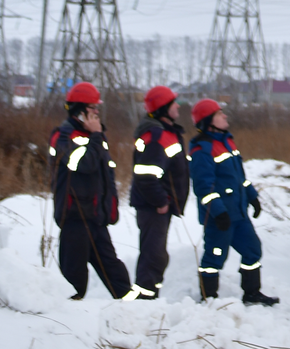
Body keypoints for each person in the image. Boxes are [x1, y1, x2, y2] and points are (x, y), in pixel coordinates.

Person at [50, 82, 137, 300]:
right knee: (74, 278)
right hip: (75, 218)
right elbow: (83, 164)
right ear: (79, 110)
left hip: (96, 218)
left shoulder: (94, 136)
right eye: (92, 108)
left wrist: (109, 210)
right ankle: (68, 315)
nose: (97, 112)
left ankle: (133, 310)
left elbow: (105, 177)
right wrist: (96, 136)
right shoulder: (63, 136)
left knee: (114, 270)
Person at [188, 99, 279, 306]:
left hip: (239, 213)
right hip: (219, 217)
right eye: (219, 114)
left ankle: (251, 294)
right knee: (214, 257)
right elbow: (203, 187)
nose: (225, 116)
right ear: (208, 121)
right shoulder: (202, 149)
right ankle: (208, 299)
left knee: (252, 250)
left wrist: (252, 196)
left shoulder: (227, 142)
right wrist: (218, 212)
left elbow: (239, 178)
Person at [129, 85, 189, 299]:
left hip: (158, 206)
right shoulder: (157, 136)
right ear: (163, 108)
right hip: (153, 207)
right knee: (153, 256)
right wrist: (161, 201)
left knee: (156, 255)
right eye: (174, 103)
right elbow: (145, 175)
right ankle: (144, 300)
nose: (178, 106)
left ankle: (148, 297)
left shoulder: (166, 133)